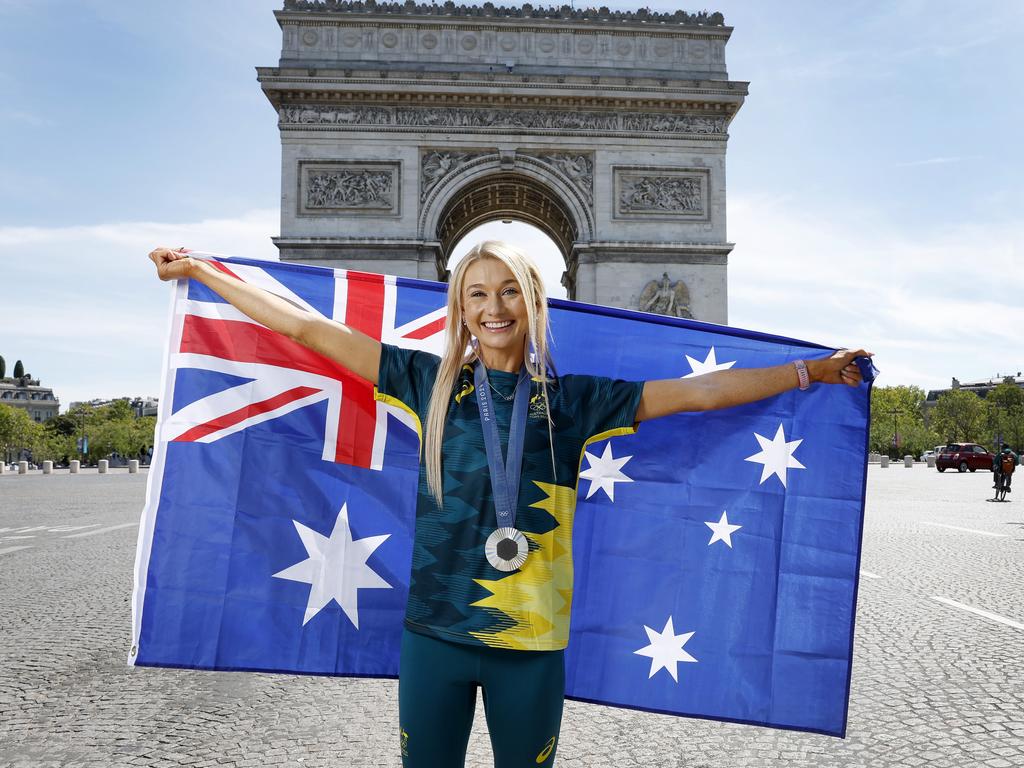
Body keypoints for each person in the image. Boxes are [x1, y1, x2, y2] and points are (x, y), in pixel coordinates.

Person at [148, 241, 869, 768]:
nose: (494, 308)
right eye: (477, 294)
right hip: (434, 634)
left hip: (530, 647)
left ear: (533, 300)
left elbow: (703, 393)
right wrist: (204, 273)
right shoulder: (425, 382)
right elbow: (308, 330)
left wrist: (809, 373)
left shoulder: (576, 401)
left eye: (509, 291)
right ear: (460, 307)